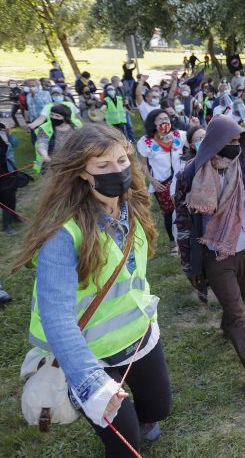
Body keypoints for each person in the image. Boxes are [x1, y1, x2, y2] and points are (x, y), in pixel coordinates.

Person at [13, 124, 171, 456]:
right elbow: (56, 317)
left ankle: (145, 420)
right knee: (125, 444)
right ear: (83, 173)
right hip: (90, 355)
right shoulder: (63, 235)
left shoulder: (134, 204)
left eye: (122, 161)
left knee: (158, 410)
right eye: (103, 166)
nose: (118, 171)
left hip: (140, 337)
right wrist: (90, 383)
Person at [175, 116, 245, 394]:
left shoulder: (244, 166)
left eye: (238, 141)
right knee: (236, 312)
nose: (235, 147)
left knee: (239, 301)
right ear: (213, 142)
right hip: (214, 253)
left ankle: (228, 326)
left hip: (244, 248)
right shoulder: (189, 174)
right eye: (229, 141)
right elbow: (184, 224)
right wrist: (190, 265)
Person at [136, 109, 187, 255]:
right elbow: (143, 164)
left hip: (180, 180)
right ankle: (173, 242)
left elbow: (193, 143)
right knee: (169, 212)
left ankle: (186, 236)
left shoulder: (179, 135)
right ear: (153, 123)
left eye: (167, 119)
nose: (165, 122)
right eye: (160, 120)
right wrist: (151, 180)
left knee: (184, 209)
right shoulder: (146, 142)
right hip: (161, 184)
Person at [33, 104, 83, 173]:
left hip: (73, 161)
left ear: (65, 117)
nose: (53, 117)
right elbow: (42, 143)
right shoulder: (45, 128)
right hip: (53, 164)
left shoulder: (76, 126)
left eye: (57, 116)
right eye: (51, 114)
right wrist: (45, 155)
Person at [0, 122, 20, 234]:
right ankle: (6, 226)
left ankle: (14, 217)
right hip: (1, 173)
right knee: (5, 197)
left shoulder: (2, 130)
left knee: (12, 193)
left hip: (9, 169)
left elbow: (15, 143)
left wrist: (8, 132)